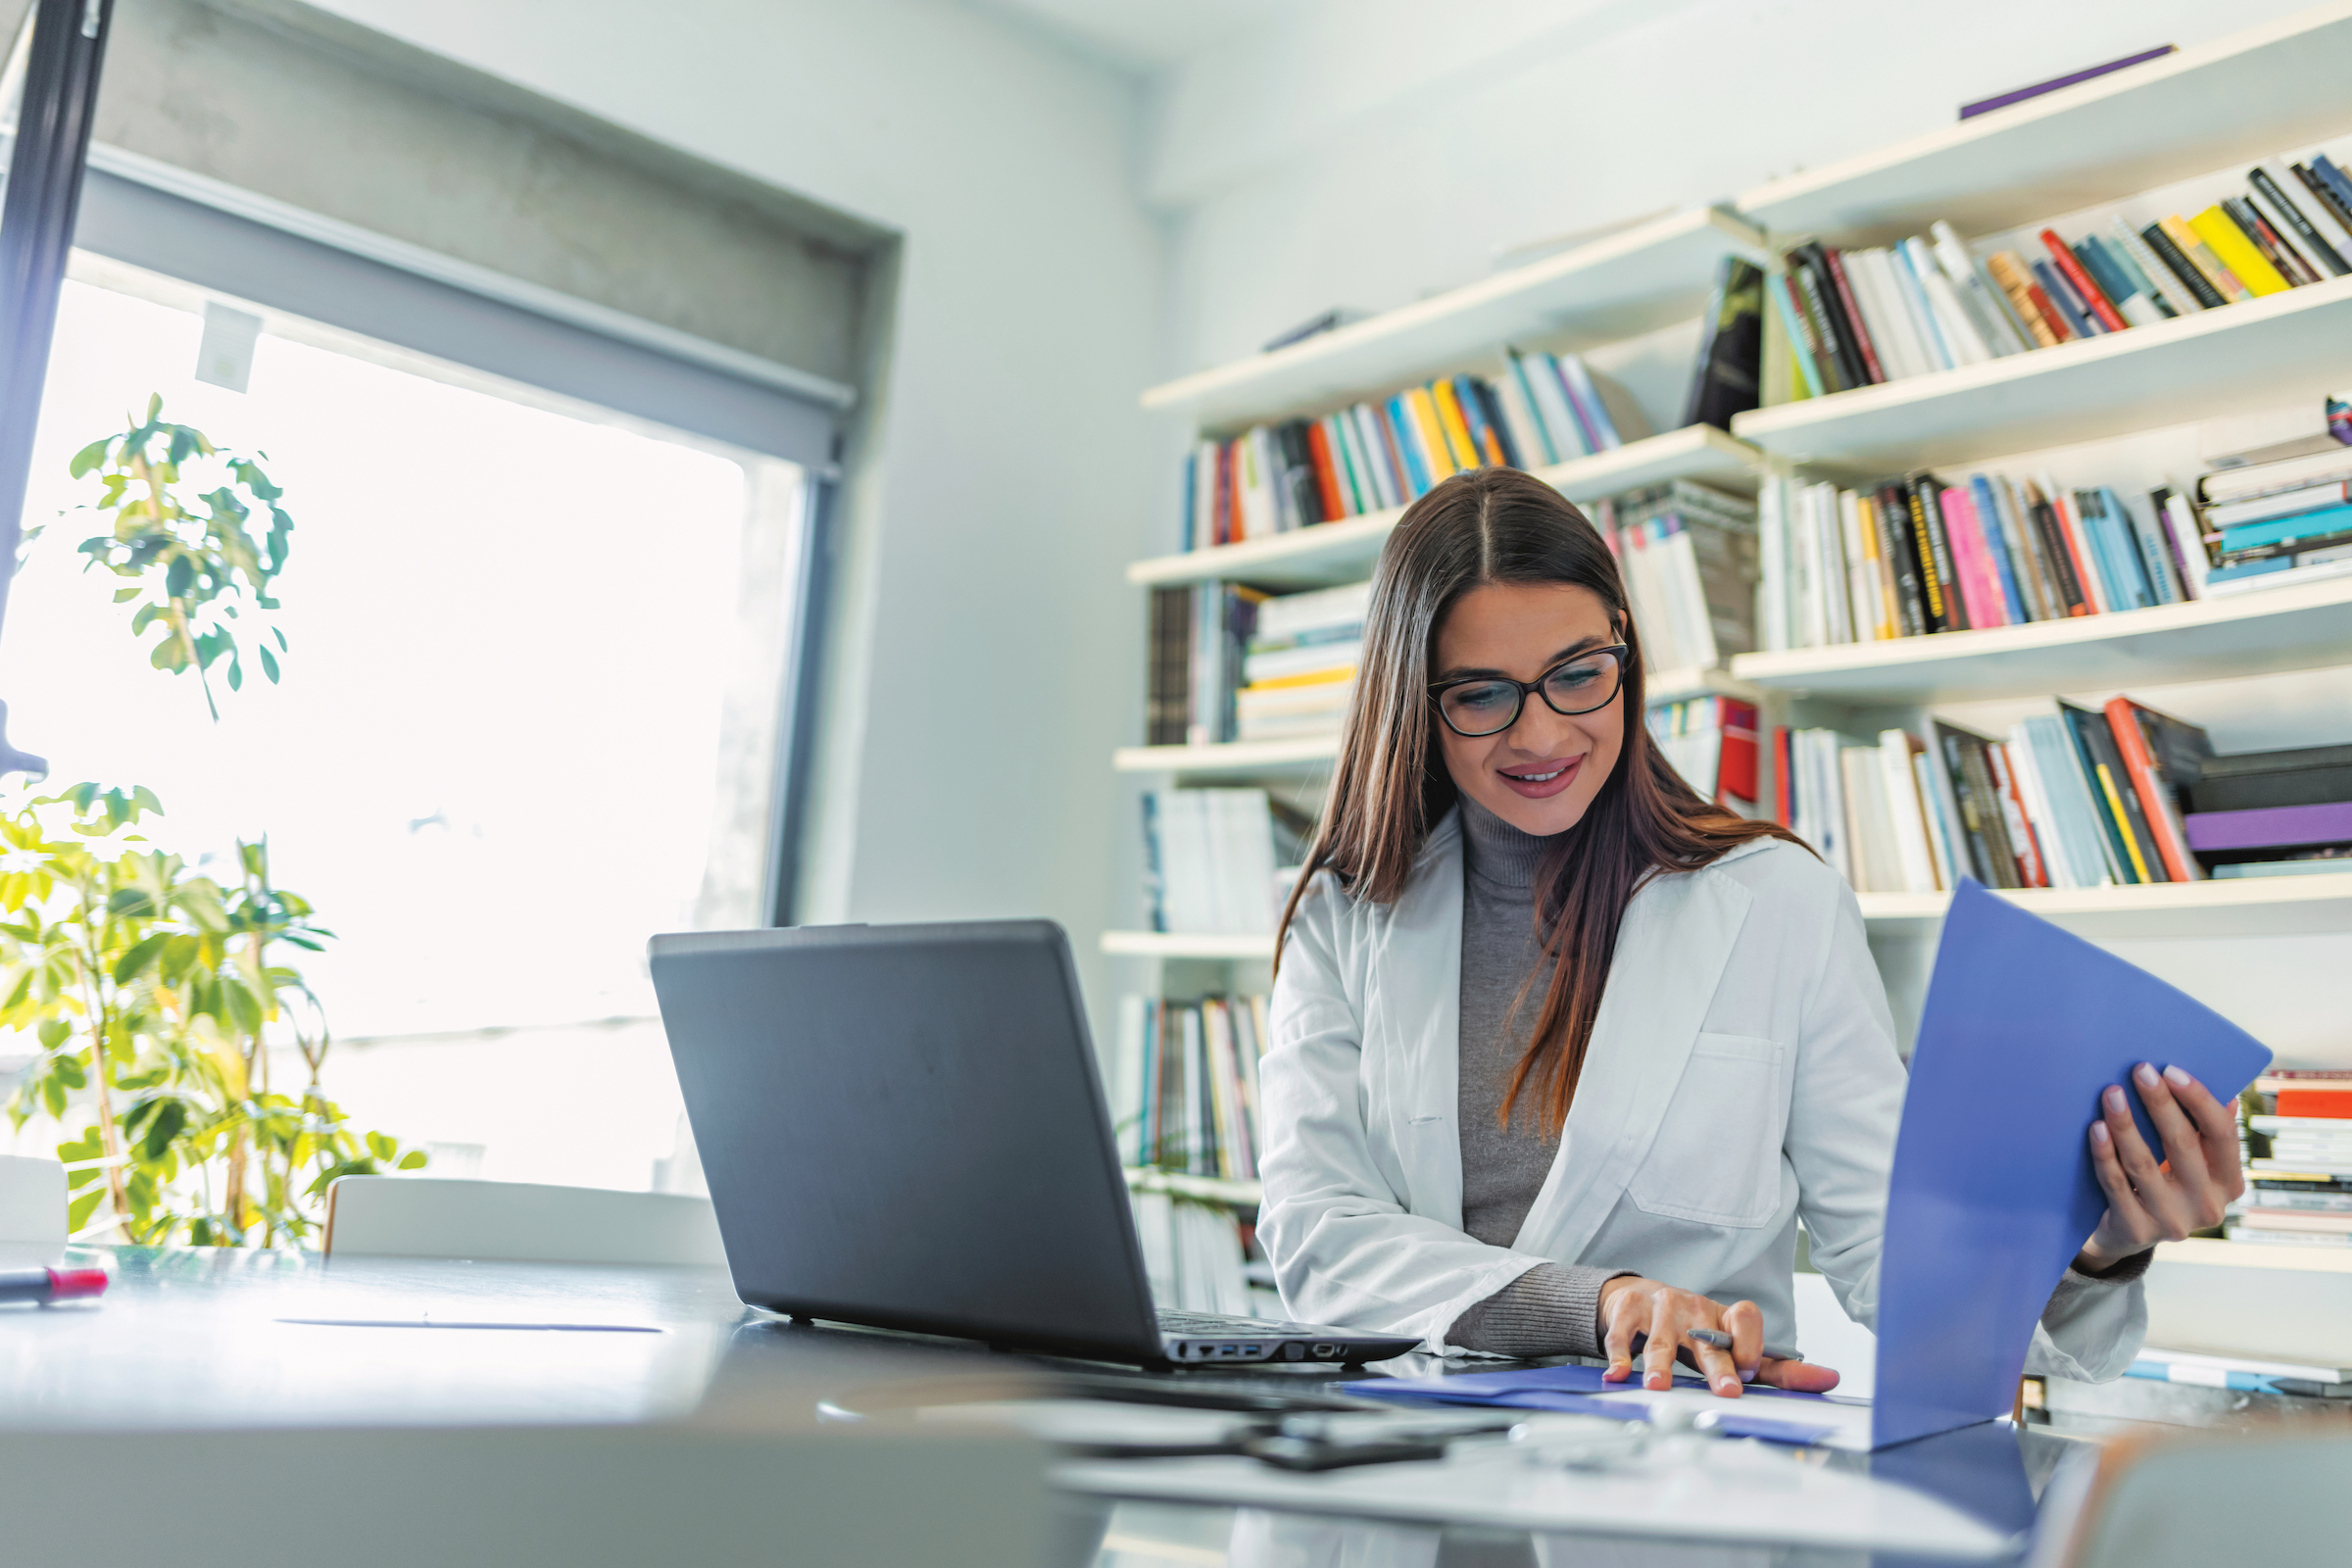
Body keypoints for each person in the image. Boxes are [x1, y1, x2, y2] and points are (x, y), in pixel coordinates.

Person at [1257, 467, 2242, 1397]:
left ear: (1627, 654)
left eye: (1578, 672)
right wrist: (1594, 1302)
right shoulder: (1342, 918)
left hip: (1680, 1471)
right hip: (1408, 1476)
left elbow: (1895, 1259)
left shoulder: (1778, 903)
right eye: (1481, 694)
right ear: (1411, 703)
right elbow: (1318, 1231)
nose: (1543, 733)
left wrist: (2097, 1251)